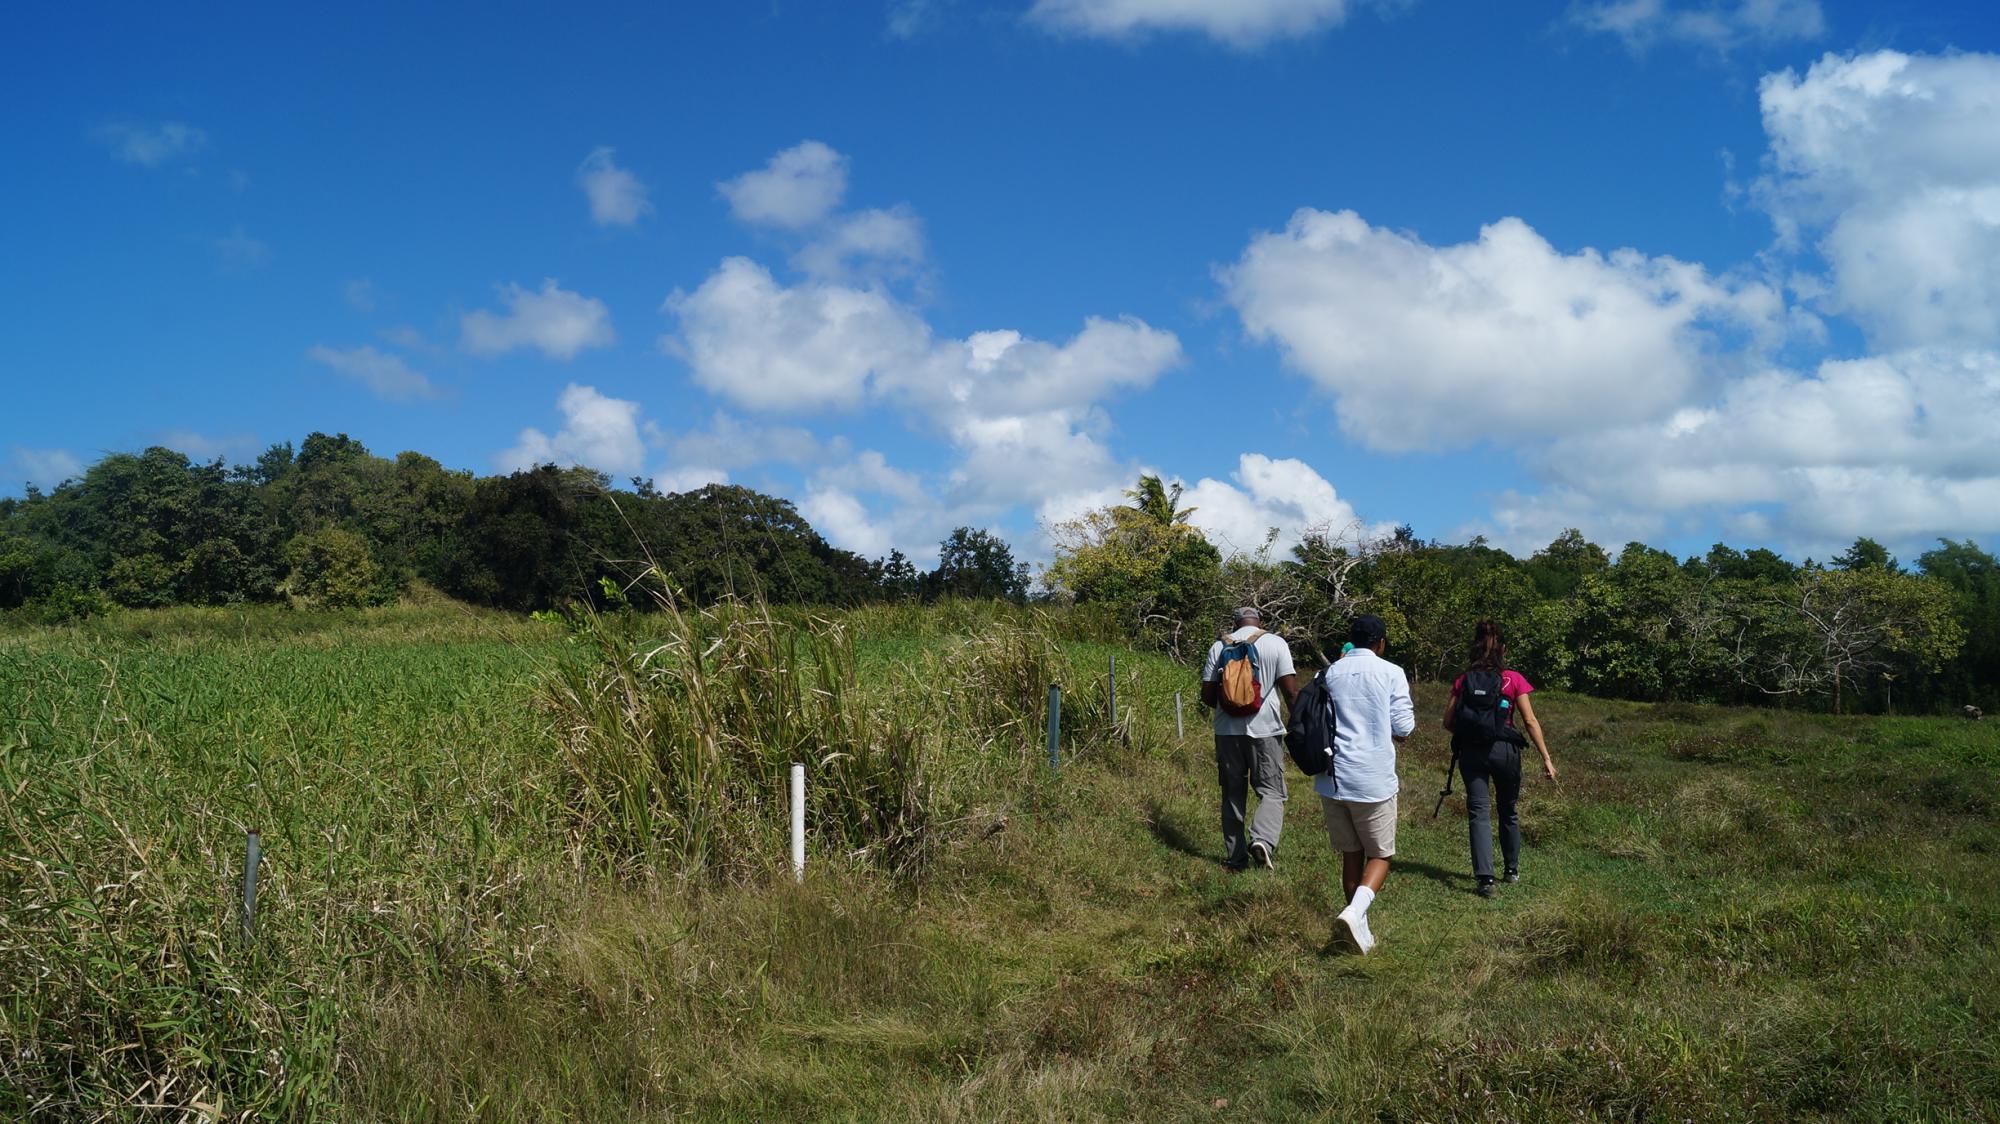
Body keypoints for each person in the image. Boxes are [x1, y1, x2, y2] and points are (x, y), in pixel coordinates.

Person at [1440, 620, 1557, 898]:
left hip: (1472, 753)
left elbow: (1447, 721)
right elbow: (1529, 720)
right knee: (1508, 809)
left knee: (1479, 811)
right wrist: (1546, 758)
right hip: (1505, 751)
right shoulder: (1514, 679)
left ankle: (1485, 880)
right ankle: (1511, 870)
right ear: (1503, 648)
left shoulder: (1464, 679)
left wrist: (1471, 733)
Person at [1320, 615, 1414, 954]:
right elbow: (1403, 728)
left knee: (1351, 854)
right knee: (1380, 854)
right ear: (1381, 642)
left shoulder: (1329, 673)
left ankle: (1359, 930)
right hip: (1372, 779)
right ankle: (1354, 913)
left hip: (1332, 778)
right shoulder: (1391, 673)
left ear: (1352, 639)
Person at [1199, 606, 1298, 871]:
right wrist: (1299, 722)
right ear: (1259, 622)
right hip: (1265, 729)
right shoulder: (1276, 643)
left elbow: (1207, 696)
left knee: (1232, 794)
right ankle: (1263, 839)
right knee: (1272, 791)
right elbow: (1289, 691)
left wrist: (1230, 704)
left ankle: (1236, 858)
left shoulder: (1218, 647)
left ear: (1235, 624)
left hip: (1226, 732)